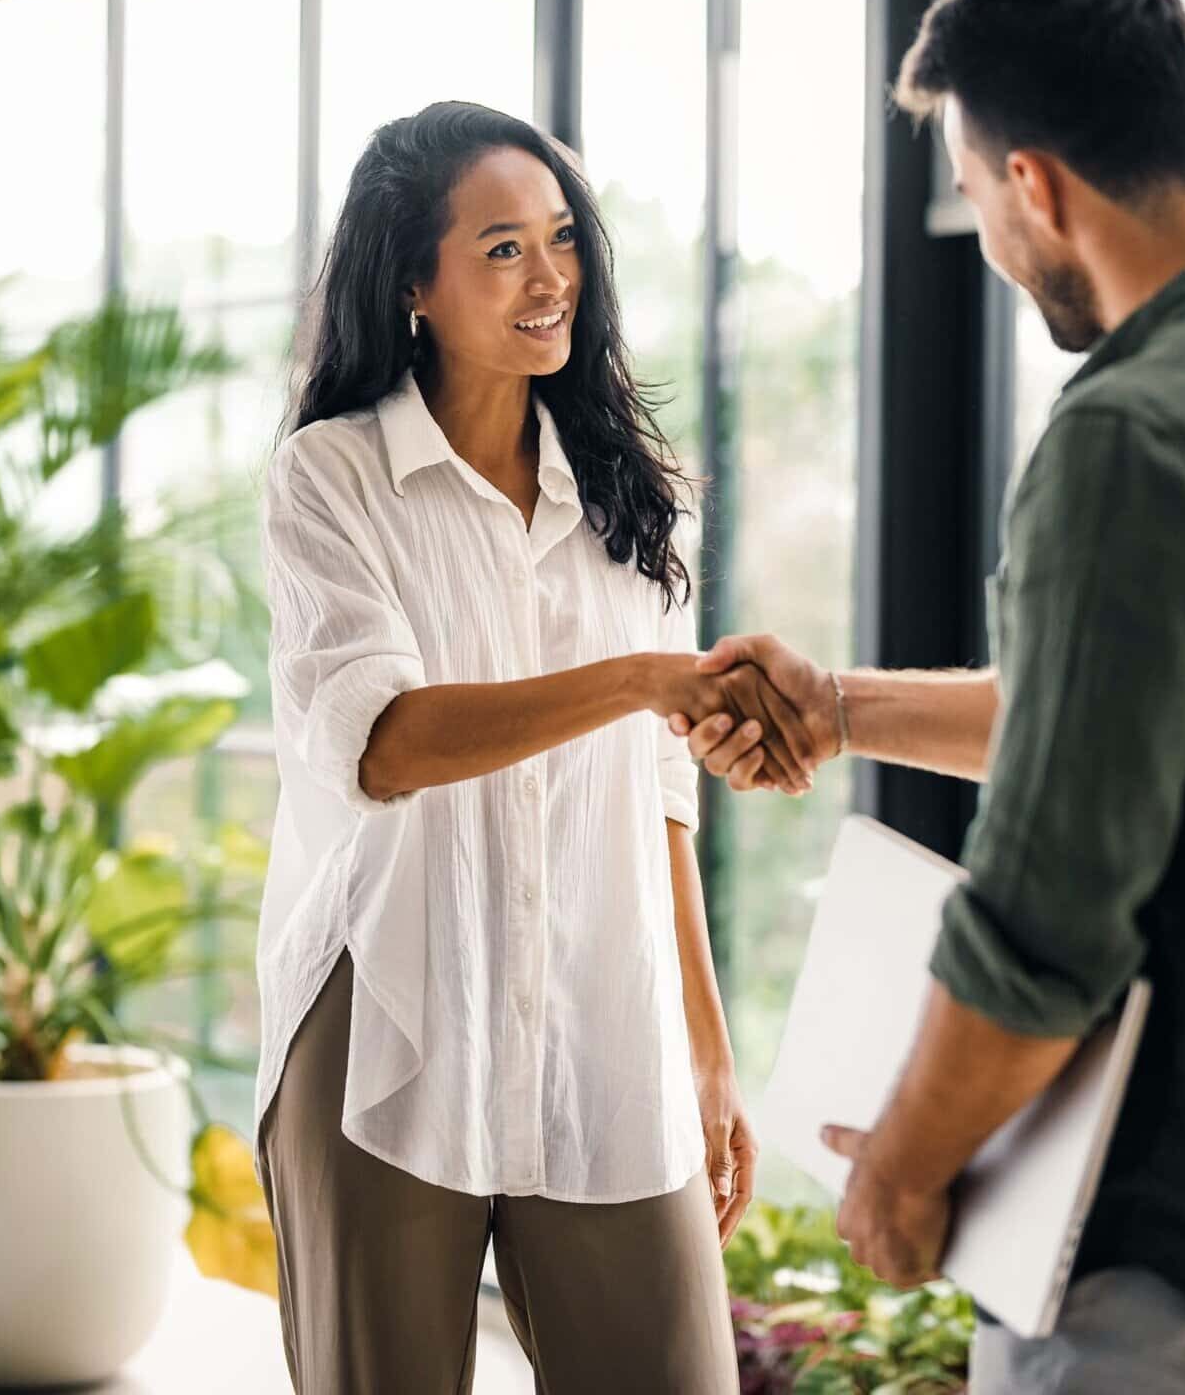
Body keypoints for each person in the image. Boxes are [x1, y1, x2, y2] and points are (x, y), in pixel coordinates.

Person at [673, 0, 1185, 1392]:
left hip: (1149, 1244)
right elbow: (1140, 730)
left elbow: (1054, 915)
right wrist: (841, 708)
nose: (994, 254)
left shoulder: (1133, 429)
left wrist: (901, 1172)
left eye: (971, 198)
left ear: (1034, 186)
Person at [254, 100, 815, 1394]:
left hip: (605, 1013)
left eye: (560, 239)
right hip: (386, 1018)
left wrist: (708, 1042)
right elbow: (382, 744)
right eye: (502, 247)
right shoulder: (328, 480)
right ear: (412, 281)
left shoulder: (640, 493)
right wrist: (635, 680)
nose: (550, 275)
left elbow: (661, 786)